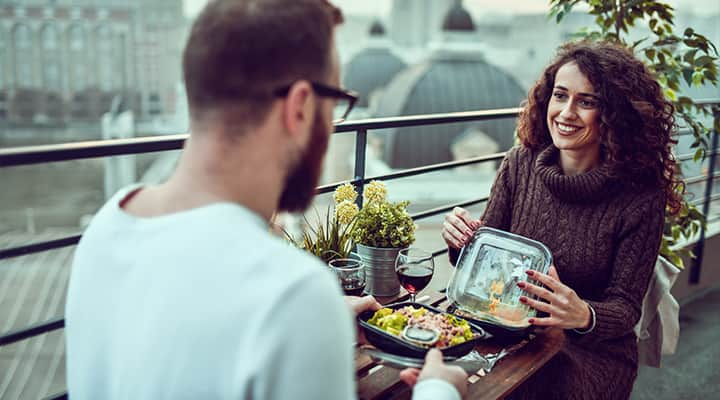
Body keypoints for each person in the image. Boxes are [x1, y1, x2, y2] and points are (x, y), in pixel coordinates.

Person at [65, 1, 467, 399]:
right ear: (301, 107)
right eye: (335, 107)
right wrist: (437, 391)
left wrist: (311, 328)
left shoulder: (107, 227)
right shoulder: (294, 297)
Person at [442, 40, 681, 400]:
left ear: (615, 114)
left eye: (586, 102)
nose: (566, 112)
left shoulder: (640, 197)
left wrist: (582, 313)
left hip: (590, 352)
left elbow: (625, 307)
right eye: (560, 95)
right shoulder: (519, 163)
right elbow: (483, 262)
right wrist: (461, 242)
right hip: (505, 330)